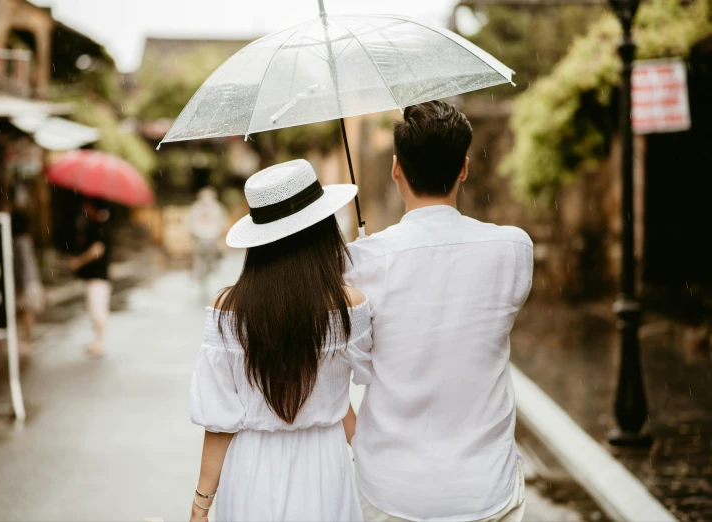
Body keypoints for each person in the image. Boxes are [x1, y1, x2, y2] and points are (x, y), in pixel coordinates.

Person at [345, 101, 534, 522]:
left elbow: (346, 367)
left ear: (396, 169)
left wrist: (363, 444)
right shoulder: (514, 248)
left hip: (389, 487)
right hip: (485, 489)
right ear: (464, 168)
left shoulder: (362, 262)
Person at [188, 159, 372, 521]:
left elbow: (220, 421)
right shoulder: (349, 305)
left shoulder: (227, 309)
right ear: (324, 229)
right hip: (324, 467)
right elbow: (358, 383)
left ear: (259, 240)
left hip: (250, 468)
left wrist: (200, 506)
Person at [68, 199, 112, 358]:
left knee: (97, 310)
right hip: (97, 277)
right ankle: (98, 341)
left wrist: (78, 262)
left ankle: (99, 342)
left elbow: (97, 250)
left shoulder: (99, 227)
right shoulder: (95, 226)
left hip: (98, 277)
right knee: (96, 309)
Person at [11, 185, 44, 353]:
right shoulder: (27, 240)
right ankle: (24, 340)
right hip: (30, 281)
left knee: (24, 312)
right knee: (24, 313)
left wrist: (22, 285)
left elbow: (23, 265)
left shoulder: (19, 243)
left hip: (25, 283)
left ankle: (27, 340)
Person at [186, 186, 227, 282]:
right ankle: (199, 272)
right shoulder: (196, 207)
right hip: (200, 236)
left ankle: (212, 268)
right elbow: (190, 221)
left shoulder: (217, 207)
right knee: (199, 256)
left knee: (211, 254)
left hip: (212, 236)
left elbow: (222, 222)